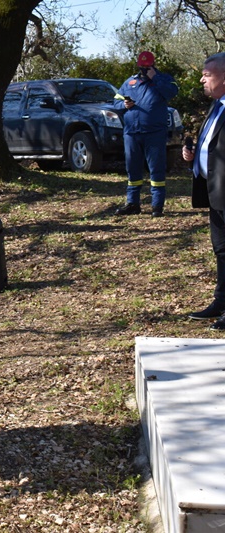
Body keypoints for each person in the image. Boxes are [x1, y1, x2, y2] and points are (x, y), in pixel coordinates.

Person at [184, 52, 225, 329]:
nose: (201, 79)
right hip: (215, 192)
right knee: (222, 250)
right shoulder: (216, 105)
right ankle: (221, 301)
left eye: (207, 74)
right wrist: (193, 154)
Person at [115, 51, 179, 217]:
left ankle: (157, 207)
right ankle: (132, 204)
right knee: (132, 170)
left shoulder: (163, 79)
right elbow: (115, 102)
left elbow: (172, 92)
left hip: (154, 133)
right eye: (142, 66)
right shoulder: (130, 81)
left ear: (153, 64)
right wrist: (124, 104)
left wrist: (154, 78)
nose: (144, 68)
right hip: (132, 133)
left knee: (156, 170)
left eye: (147, 66)